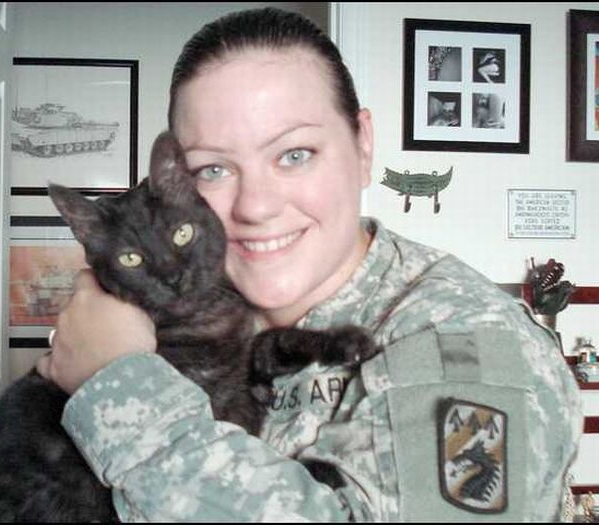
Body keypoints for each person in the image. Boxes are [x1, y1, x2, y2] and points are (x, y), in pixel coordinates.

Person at [38, 7, 583, 522]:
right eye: (212, 170)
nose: (255, 207)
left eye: (294, 155)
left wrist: (119, 386)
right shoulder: (185, 308)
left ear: (363, 146)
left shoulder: (467, 343)